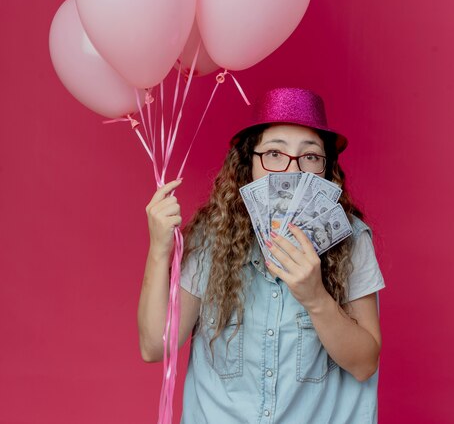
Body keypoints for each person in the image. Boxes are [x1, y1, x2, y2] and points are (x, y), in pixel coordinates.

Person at [137, 88, 385, 423]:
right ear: (248, 163)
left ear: (326, 169)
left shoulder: (351, 238)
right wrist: (158, 250)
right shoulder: (212, 234)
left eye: (310, 156)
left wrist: (315, 298)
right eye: (274, 153)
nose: (291, 171)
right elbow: (155, 347)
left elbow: (365, 363)